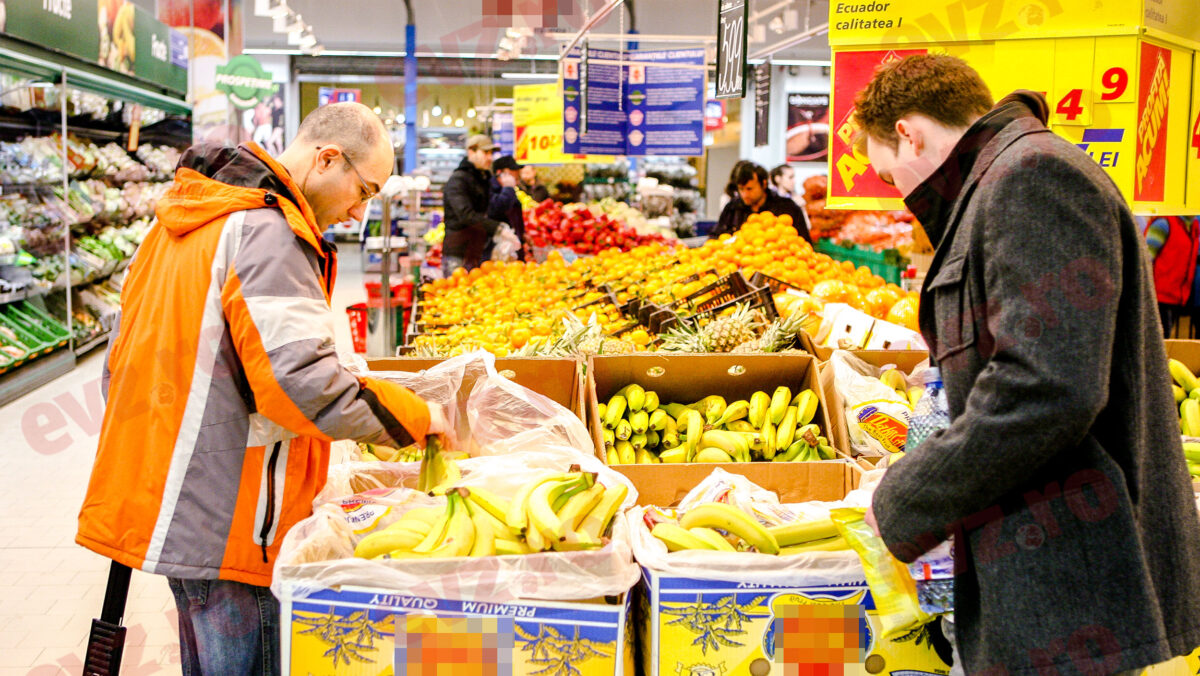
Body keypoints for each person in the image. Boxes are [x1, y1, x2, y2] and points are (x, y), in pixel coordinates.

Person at [76, 102, 448, 676]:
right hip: (233, 521)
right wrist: (420, 418)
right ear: (327, 159)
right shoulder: (267, 233)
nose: (358, 211)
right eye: (364, 189)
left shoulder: (181, 220)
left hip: (179, 502)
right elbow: (304, 386)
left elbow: (119, 363)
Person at [856, 54, 1200, 674]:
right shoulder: (1005, 178)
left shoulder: (1031, 177)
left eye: (889, 177)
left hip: (1076, 578)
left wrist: (903, 500)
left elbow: (1044, 386)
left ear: (908, 131)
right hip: (1048, 563)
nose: (902, 197)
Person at [443, 134, 506, 275]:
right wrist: (498, 229)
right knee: (454, 293)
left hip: (477, 249)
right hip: (458, 252)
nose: (490, 158)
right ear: (471, 151)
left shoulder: (482, 178)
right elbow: (466, 215)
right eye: (485, 152)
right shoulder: (458, 180)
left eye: (491, 153)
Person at [710, 162, 811, 241]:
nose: (744, 194)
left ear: (764, 184)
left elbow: (803, 242)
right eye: (741, 189)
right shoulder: (732, 208)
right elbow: (716, 238)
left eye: (749, 189)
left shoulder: (787, 208)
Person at [1142, 215, 1200, 337]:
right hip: (1158, 297)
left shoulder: (1193, 226)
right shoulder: (1164, 224)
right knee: (1159, 341)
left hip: (1176, 297)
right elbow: (1144, 259)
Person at [489, 155, 525, 260]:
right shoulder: (492, 189)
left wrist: (522, 235)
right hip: (498, 249)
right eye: (513, 170)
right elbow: (497, 208)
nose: (517, 172)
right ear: (500, 173)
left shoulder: (510, 189)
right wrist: (508, 188)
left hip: (512, 247)